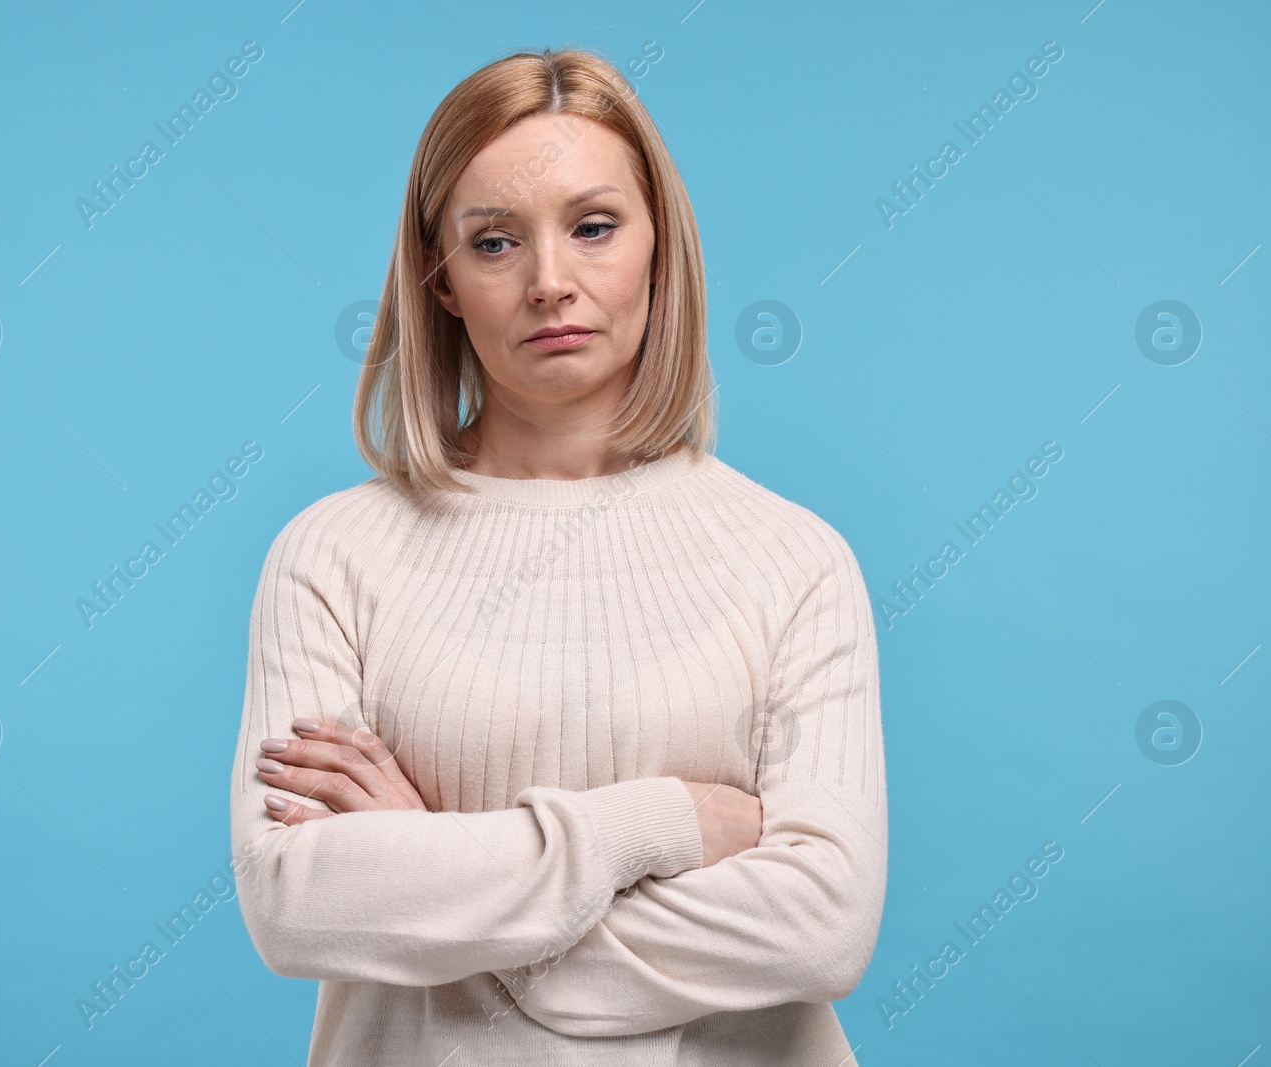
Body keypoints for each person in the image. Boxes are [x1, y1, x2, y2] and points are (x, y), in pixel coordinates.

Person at [228, 45, 887, 1066]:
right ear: (440, 281)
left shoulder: (792, 559)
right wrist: (653, 824)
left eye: (592, 227)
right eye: (493, 243)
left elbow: (820, 924)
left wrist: (429, 875)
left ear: (657, 245)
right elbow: (297, 904)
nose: (549, 282)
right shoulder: (331, 554)